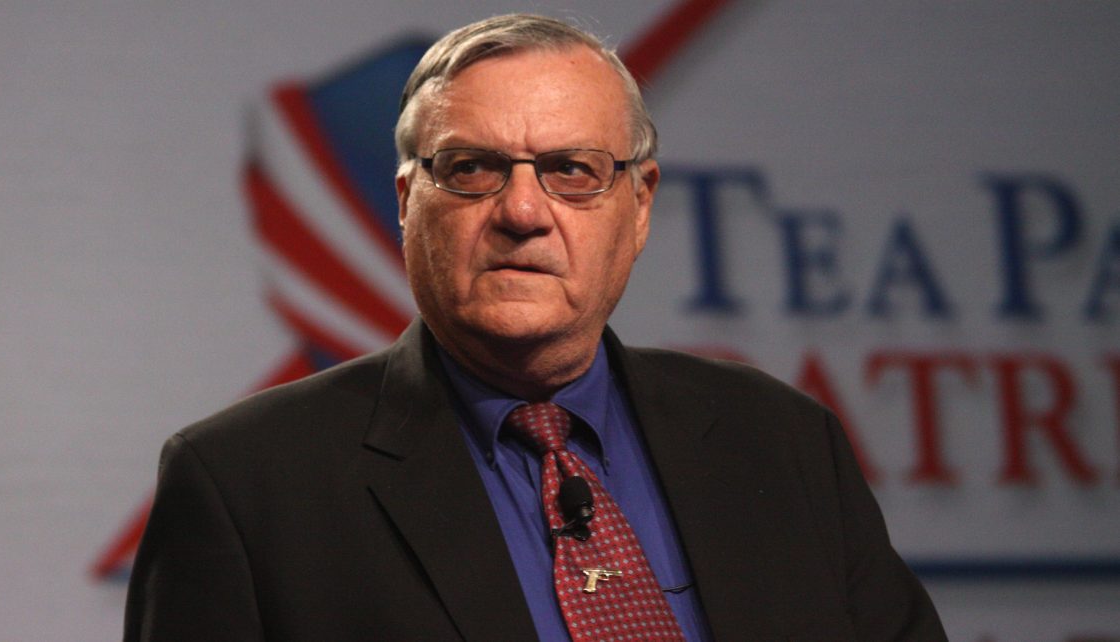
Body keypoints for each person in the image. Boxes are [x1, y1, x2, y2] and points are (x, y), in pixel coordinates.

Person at [124, 13, 946, 641]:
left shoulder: (783, 441)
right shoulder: (243, 484)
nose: (523, 211)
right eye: (472, 169)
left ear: (641, 204)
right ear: (409, 204)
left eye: (572, 171)